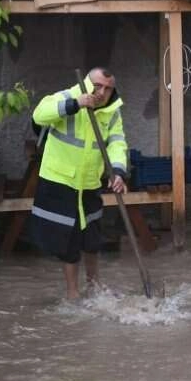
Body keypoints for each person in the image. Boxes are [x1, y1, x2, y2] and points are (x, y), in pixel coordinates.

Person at [30, 67, 128, 300]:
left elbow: (117, 143)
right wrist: (77, 103)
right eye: (98, 86)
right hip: (61, 180)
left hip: (90, 182)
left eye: (107, 88)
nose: (102, 91)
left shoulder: (112, 112)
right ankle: (73, 293)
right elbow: (39, 115)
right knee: (69, 240)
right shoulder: (66, 97)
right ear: (87, 83)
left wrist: (117, 172)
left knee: (92, 238)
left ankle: (94, 287)